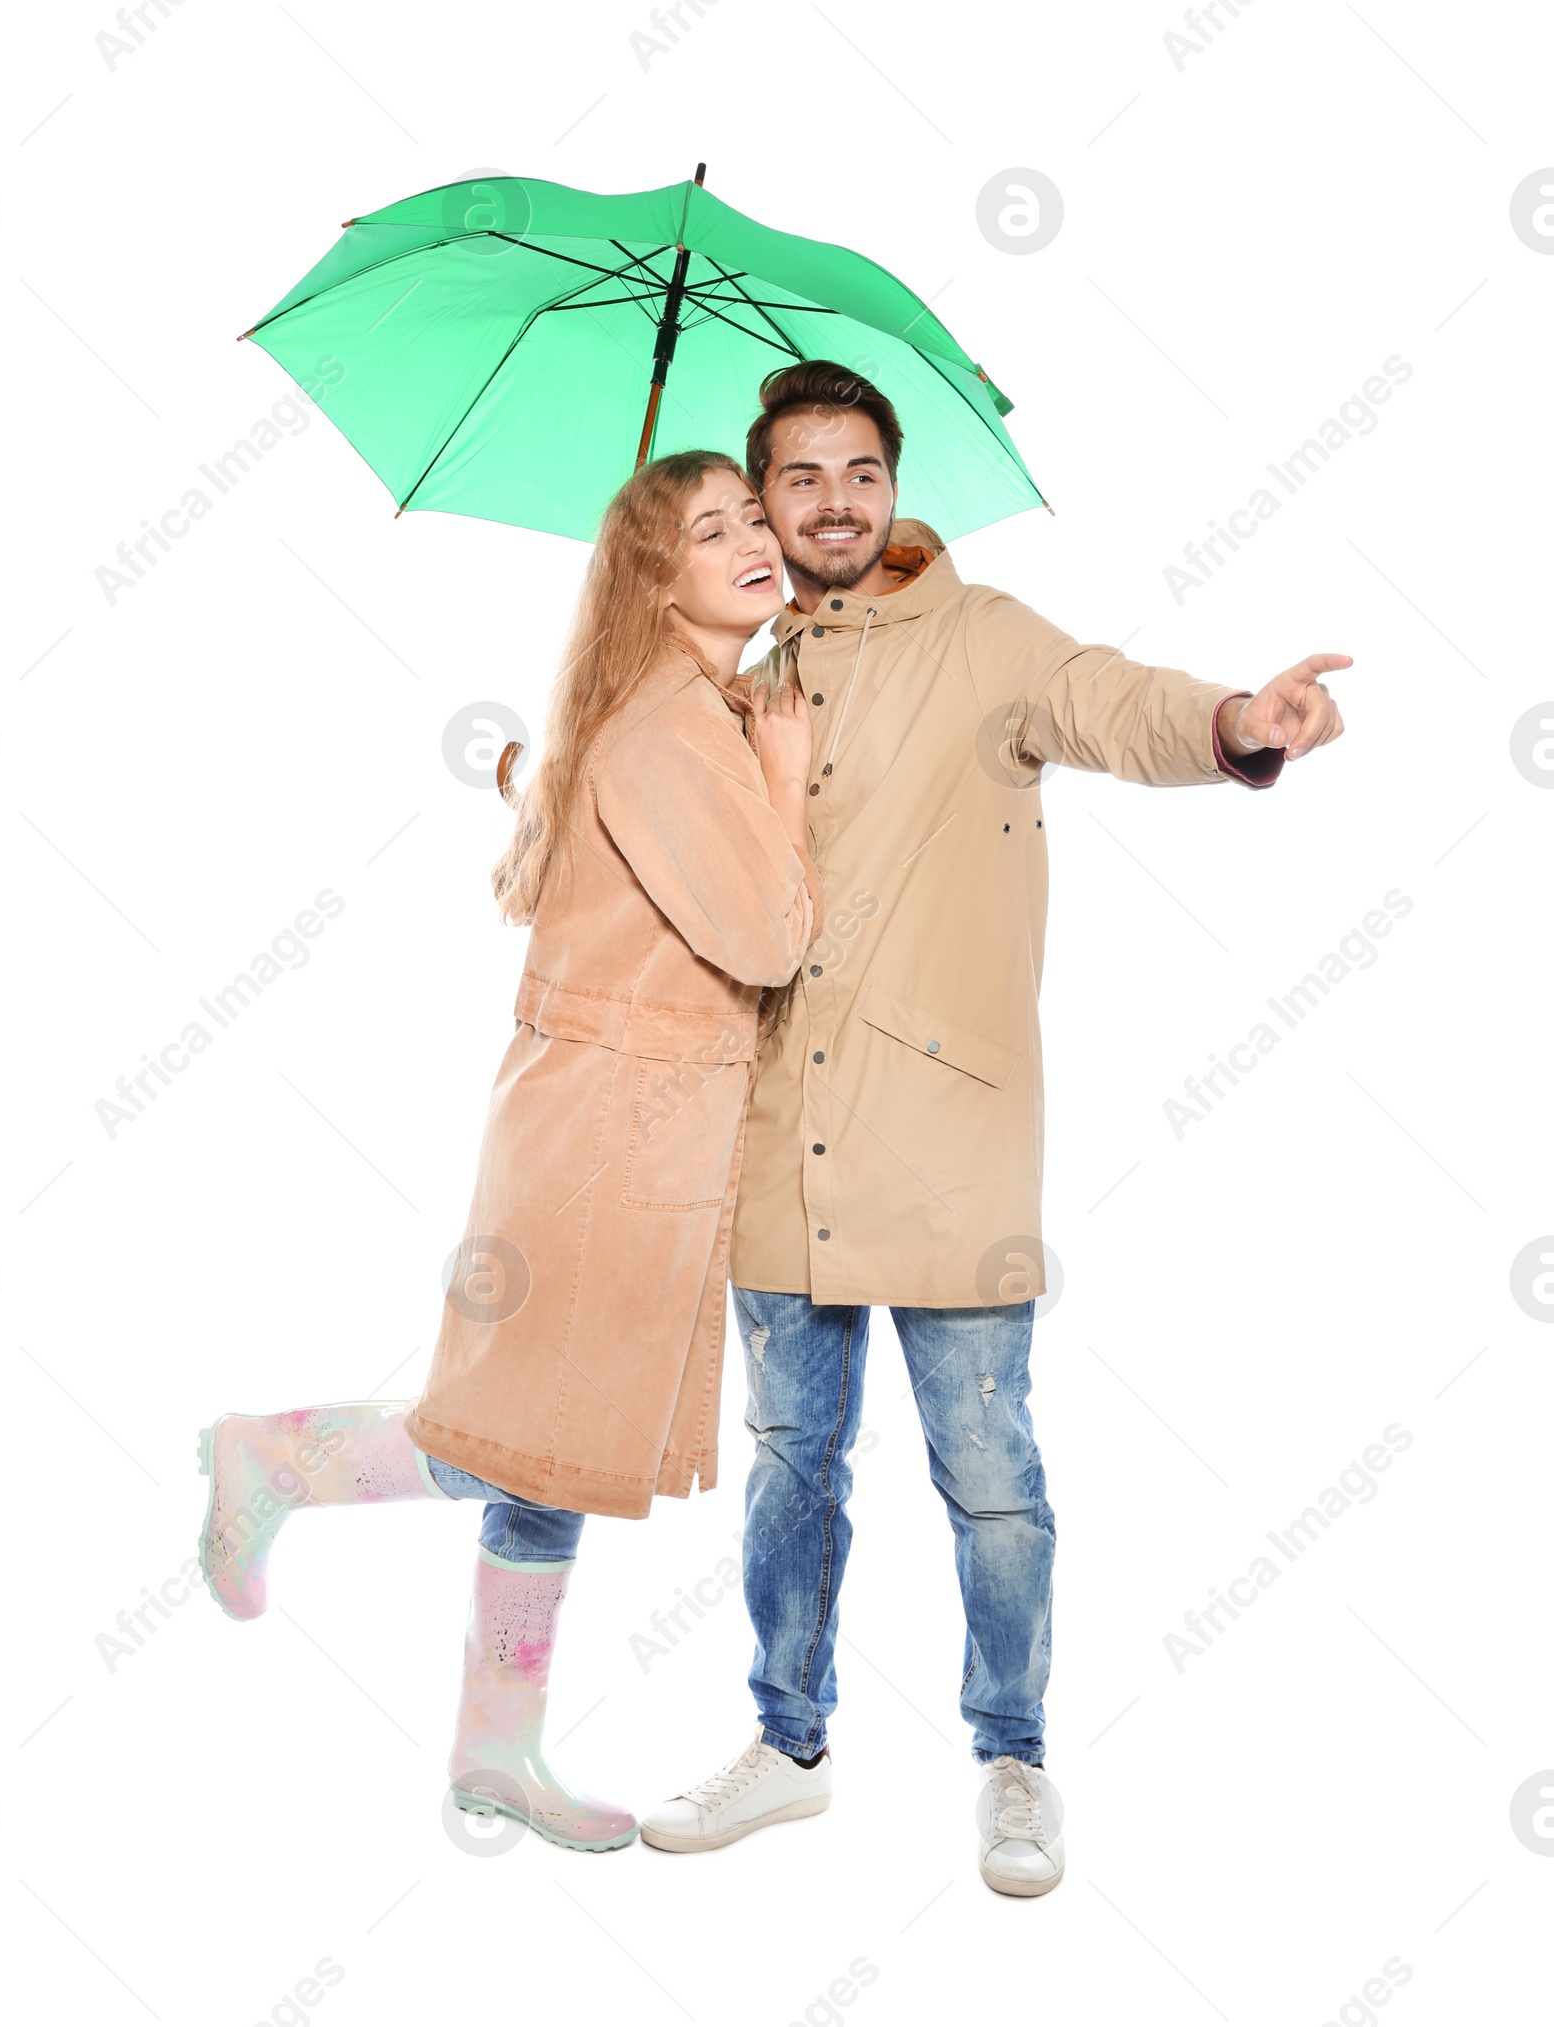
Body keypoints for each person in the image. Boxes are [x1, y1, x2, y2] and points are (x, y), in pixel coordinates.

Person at [638, 362, 1349, 1895]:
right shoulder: (728, 671)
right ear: (756, 500)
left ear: (893, 489)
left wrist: (1240, 720)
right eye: (800, 477)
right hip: (770, 1136)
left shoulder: (987, 638)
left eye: (859, 471)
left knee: (990, 1472)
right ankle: (790, 1743)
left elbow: (1120, 704)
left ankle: (1013, 1759)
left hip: (949, 1137)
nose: (833, 500)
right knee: (787, 1463)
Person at [197, 451, 822, 1853]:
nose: (749, 541)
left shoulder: (670, 718)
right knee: (527, 1447)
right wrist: (781, 786)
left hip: (617, 1121)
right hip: (611, 1134)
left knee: (557, 1454)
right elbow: (774, 940)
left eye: (748, 519)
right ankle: (278, 1459)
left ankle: (497, 1751)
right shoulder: (676, 734)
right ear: (654, 582)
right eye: (706, 529)